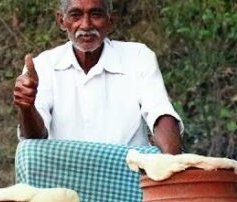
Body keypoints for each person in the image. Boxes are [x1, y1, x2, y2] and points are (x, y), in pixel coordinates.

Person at [13, 0, 182, 154]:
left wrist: (172, 163)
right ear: (61, 21)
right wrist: (26, 107)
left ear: (111, 20)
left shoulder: (138, 57)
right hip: (63, 178)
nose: (86, 25)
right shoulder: (42, 66)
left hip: (129, 178)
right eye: (75, 15)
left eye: (96, 14)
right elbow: (34, 138)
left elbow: (159, 110)